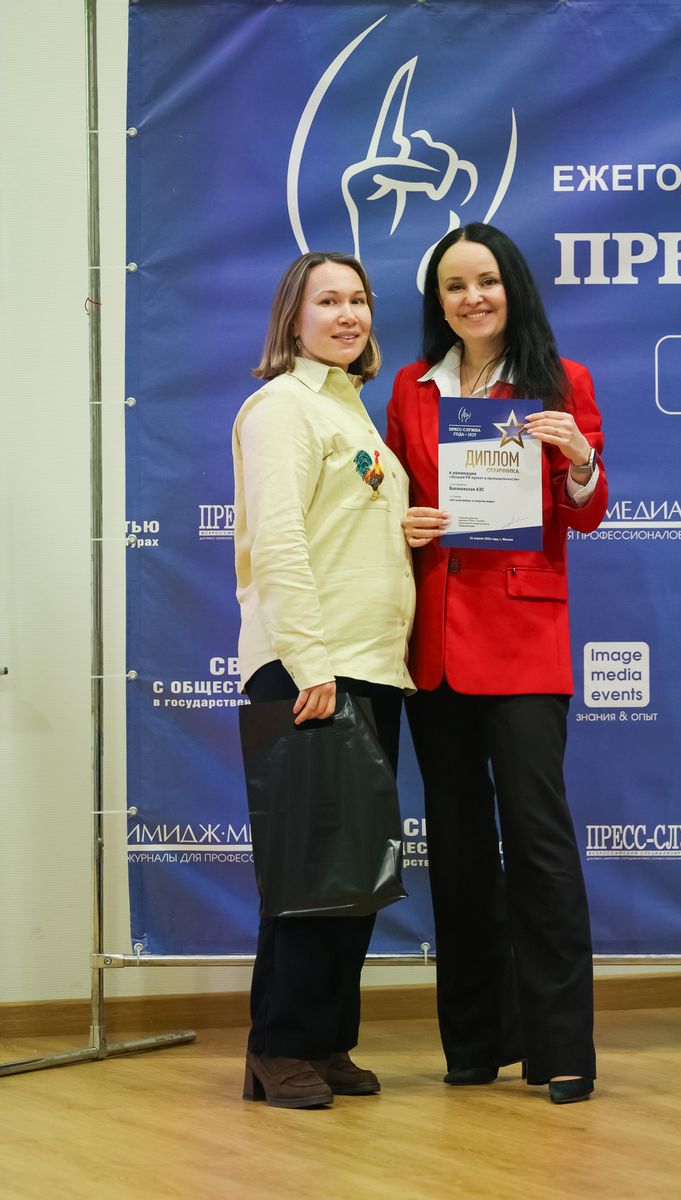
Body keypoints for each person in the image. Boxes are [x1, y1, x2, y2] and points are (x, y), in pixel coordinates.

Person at [385, 223, 607, 1104]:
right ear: (437, 302)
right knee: (458, 852)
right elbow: (392, 497)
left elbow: (585, 512)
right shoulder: (410, 387)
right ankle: (476, 1042)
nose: (472, 298)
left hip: (521, 642)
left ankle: (562, 1049)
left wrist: (580, 460)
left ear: (513, 287)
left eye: (486, 281)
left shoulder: (562, 381)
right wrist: (400, 523)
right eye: (454, 287)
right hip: (434, 647)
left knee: (539, 845)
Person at [232, 251, 415, 1109]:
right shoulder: (282, 407)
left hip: (370, 665)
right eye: (329, 301)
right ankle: (279, 1046)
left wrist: (406, 527)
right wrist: (309, 663)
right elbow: (278, 542)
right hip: (314, 667)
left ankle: (327, 1039)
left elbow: (340, 528)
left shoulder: (349, 409)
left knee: (352, 871)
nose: (348, 314)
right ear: (293, 319)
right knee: (310, 870)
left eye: (359, 300)